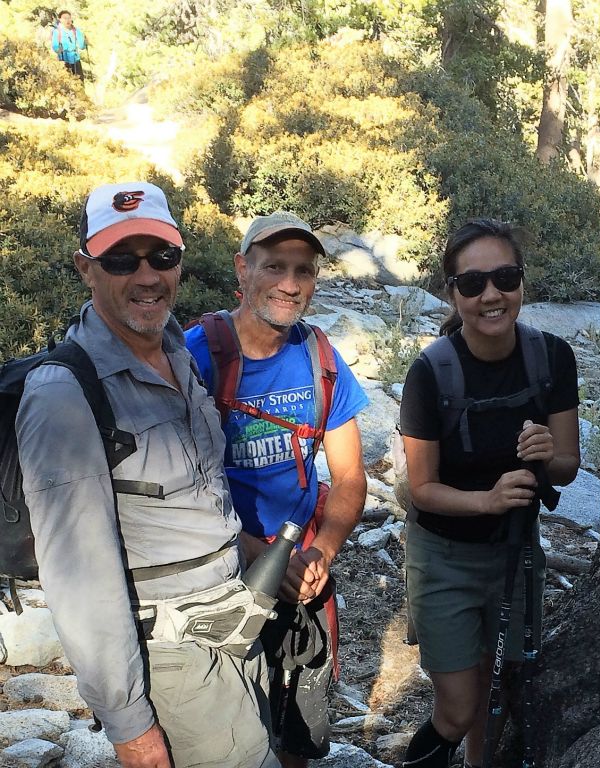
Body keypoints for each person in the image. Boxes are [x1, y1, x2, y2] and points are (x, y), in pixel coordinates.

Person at [16, 182, 279, 768]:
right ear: (86, 268)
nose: (147, 276)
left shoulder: (177, 351)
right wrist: (131, 727)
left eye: (161, 256)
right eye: (120, 259)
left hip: (232, 637)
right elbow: (79, 579)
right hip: (173, 666)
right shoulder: (62, 394)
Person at [184, 211, 369, 767]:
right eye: (274, 267)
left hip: (301, 572)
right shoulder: (196, 356)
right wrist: (259, 555)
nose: (290, 284)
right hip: (218, 573)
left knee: (296, 731)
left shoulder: (321, 360)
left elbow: (350, 476)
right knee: (227, 734)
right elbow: (177, 492)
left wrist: (320, 555)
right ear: (243, 269)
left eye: (303, 271)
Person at [399, 219, 581, 768]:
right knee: (456, 708)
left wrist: (548, 453)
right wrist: (488, 500)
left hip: (517, 555)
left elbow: (569, 467)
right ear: (453, 292)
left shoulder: (552, 357)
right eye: (473, 283)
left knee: (499, 690)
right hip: (444, 559)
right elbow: (421, 489)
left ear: (522, 282)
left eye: (505, 277)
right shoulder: (431, 373)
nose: (491, 295)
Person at [51, 10, 86, 79]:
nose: (67, 20)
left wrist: (84, 42)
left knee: (80, 84)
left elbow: (82, 46)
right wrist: (61, 49)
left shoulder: (76, 30)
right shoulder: (57, 31)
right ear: (60, 20)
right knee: (67, 83)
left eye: (69, 18)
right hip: (63, 61)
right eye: (65, 18)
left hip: (76, 60)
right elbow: (55, 47)